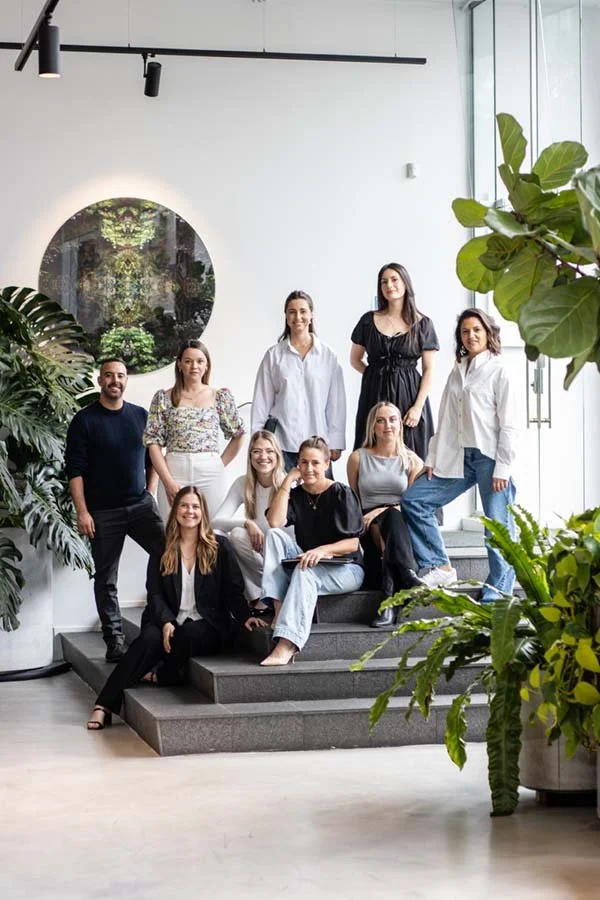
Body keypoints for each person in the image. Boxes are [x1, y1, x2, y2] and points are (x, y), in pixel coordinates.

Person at [86, 486, 266, 729]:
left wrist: (246, 616)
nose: (189, 511)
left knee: (189, 633)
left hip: (207, 623)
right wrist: (166, 621)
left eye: (195, 506)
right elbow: (155, 592)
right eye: (184, 506)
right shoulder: (162, 547)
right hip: (167, 618)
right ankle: (103, 706)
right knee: (147, 641)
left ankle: (166, 674)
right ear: (175, 511)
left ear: (203, 512)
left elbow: (232, 589)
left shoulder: (219, 547)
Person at [400, 308, 518, 601]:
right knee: (414, 500)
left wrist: (503, 467)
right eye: (465, 331)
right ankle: (438, 565)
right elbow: (446, 420)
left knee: (497, 526)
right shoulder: (458, 370)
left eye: (477, 330)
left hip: (490, 457)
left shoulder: (499, 370)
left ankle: (499, 587)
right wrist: (432, 460)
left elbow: (510, 423)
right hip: (458, 457)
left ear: (488, 333)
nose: (471, 335)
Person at [65, 358, 165, 661]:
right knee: (106, 579)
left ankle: (159, 622)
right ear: (100, 381)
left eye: (120, 376)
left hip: (140, 506)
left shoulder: (140, 416)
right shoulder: (84, 420)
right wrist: (83, 512)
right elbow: (75, 471)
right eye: (109, 375)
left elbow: (154, 460)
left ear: (126, 380)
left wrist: (150, 494)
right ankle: (115, 643)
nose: (115, 380)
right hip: (102, 513)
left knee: (168, 556)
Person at [259, 436, 364, 666]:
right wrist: (288, 480)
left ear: (327, 464)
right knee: (274, 536)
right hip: (309, 561)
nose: (309, 468)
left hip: (346, 568)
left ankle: (287, 643)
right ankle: (279, 608)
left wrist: (322, 551)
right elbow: (275, 522)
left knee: (305, 572)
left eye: (315, 463)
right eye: (304, 462)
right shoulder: (296, 495)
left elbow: (353, 544)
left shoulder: (341, 492)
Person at [143, 339, 245, 521]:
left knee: (212, 528)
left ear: (207, 366)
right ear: (179, 365)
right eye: (188, 361)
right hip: (174, 468)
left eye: (200, 361)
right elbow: (153, 443)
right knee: (173, 528)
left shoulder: (219, 397)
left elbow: (239, 434)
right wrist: (167, 481)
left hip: (210, 470)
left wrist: (219, 464)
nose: (194, 366)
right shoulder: (163, 398)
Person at [347, 402, 424, 627]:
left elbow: (410, 505)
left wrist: (385, 509)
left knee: (392, 518)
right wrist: (372, 515)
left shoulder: (412, 461)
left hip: (400, 519)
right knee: (385, 522)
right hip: (368, 520)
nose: (387, 425)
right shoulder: (357, 458)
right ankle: (408, 576)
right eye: (380, 420)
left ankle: (389, 600)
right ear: (373, 427)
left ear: (400, 425)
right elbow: (354, 500)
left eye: (392, 419)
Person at [251, 290, 346, 471]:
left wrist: (336, 441)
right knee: (282, 497)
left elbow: (336, 404)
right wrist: (258, 443)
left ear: (311, 315)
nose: (298, 317)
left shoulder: (328, 357)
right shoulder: (273, 356)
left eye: (303, 311)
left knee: (321, 498)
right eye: (292, 312)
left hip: (318, 446)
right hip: (281, 445)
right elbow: (261, 403)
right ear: (286, 317)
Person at [350, 263, 439, 454]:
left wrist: (417, 407)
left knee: (412, 453)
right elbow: (355, 359)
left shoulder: (423, 324)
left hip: (410, 396)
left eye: (394, 279)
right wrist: (375, 375)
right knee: (371, 447)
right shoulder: (368, 320)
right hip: (374, 395)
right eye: (384, 282)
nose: (389, 285)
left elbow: (429, 369)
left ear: (405, 283)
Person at [212, 430, 286, 610]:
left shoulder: (286, 484)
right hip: (260, 556)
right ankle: (256, 595)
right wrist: (246, 523)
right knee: (233, 534)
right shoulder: (243, 483)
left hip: (284, 555)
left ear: (277, 455)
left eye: (269, 451)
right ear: (250, 456)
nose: (263, 456)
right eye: (257, 451)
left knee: (274, 536)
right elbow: (215, 522)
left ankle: (274, 591)